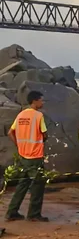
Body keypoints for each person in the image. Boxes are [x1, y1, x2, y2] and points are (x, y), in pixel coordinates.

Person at [5, 91, 49, 222]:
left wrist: (19, 145)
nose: (43, 102)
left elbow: (10, 133)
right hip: (35, 156)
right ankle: (34, 214)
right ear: (34, 101)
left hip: (23, 155)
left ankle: (12, 211)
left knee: (23, 184)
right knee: (38, 185)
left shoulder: (21, 115)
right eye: (41, 100)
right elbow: (44, 134)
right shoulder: (38, 116)